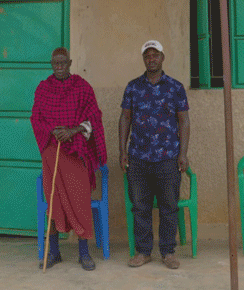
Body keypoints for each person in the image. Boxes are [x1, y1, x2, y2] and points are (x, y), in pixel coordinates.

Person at [31, 47, 107, 271]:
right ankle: (54, 252)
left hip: (76, 153)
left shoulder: (82, 87)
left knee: (80, 200)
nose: (60, 67)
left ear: (70, 62)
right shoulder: (43, 89)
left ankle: (84, 253)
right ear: (51, 64)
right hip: (52, 153)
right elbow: (36, 118)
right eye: (56, 63)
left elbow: (94, 118)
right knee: (53, 200)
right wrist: (54, 131)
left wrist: (73, 131)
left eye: (64, 63)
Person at [119, 40, 190, 270]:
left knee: (169, 207)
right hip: (138, 157)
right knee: (141, 207)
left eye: (155, 55)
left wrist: (183, 153)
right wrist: (123, 151)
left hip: (168, 157)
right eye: (147, 55)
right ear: (143, 59)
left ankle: (168, 252)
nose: (151, 59)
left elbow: (184, 121)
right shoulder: (132, 87)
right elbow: (125, 118)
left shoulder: (175, 87)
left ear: (162, 58)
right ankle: (143, 251)